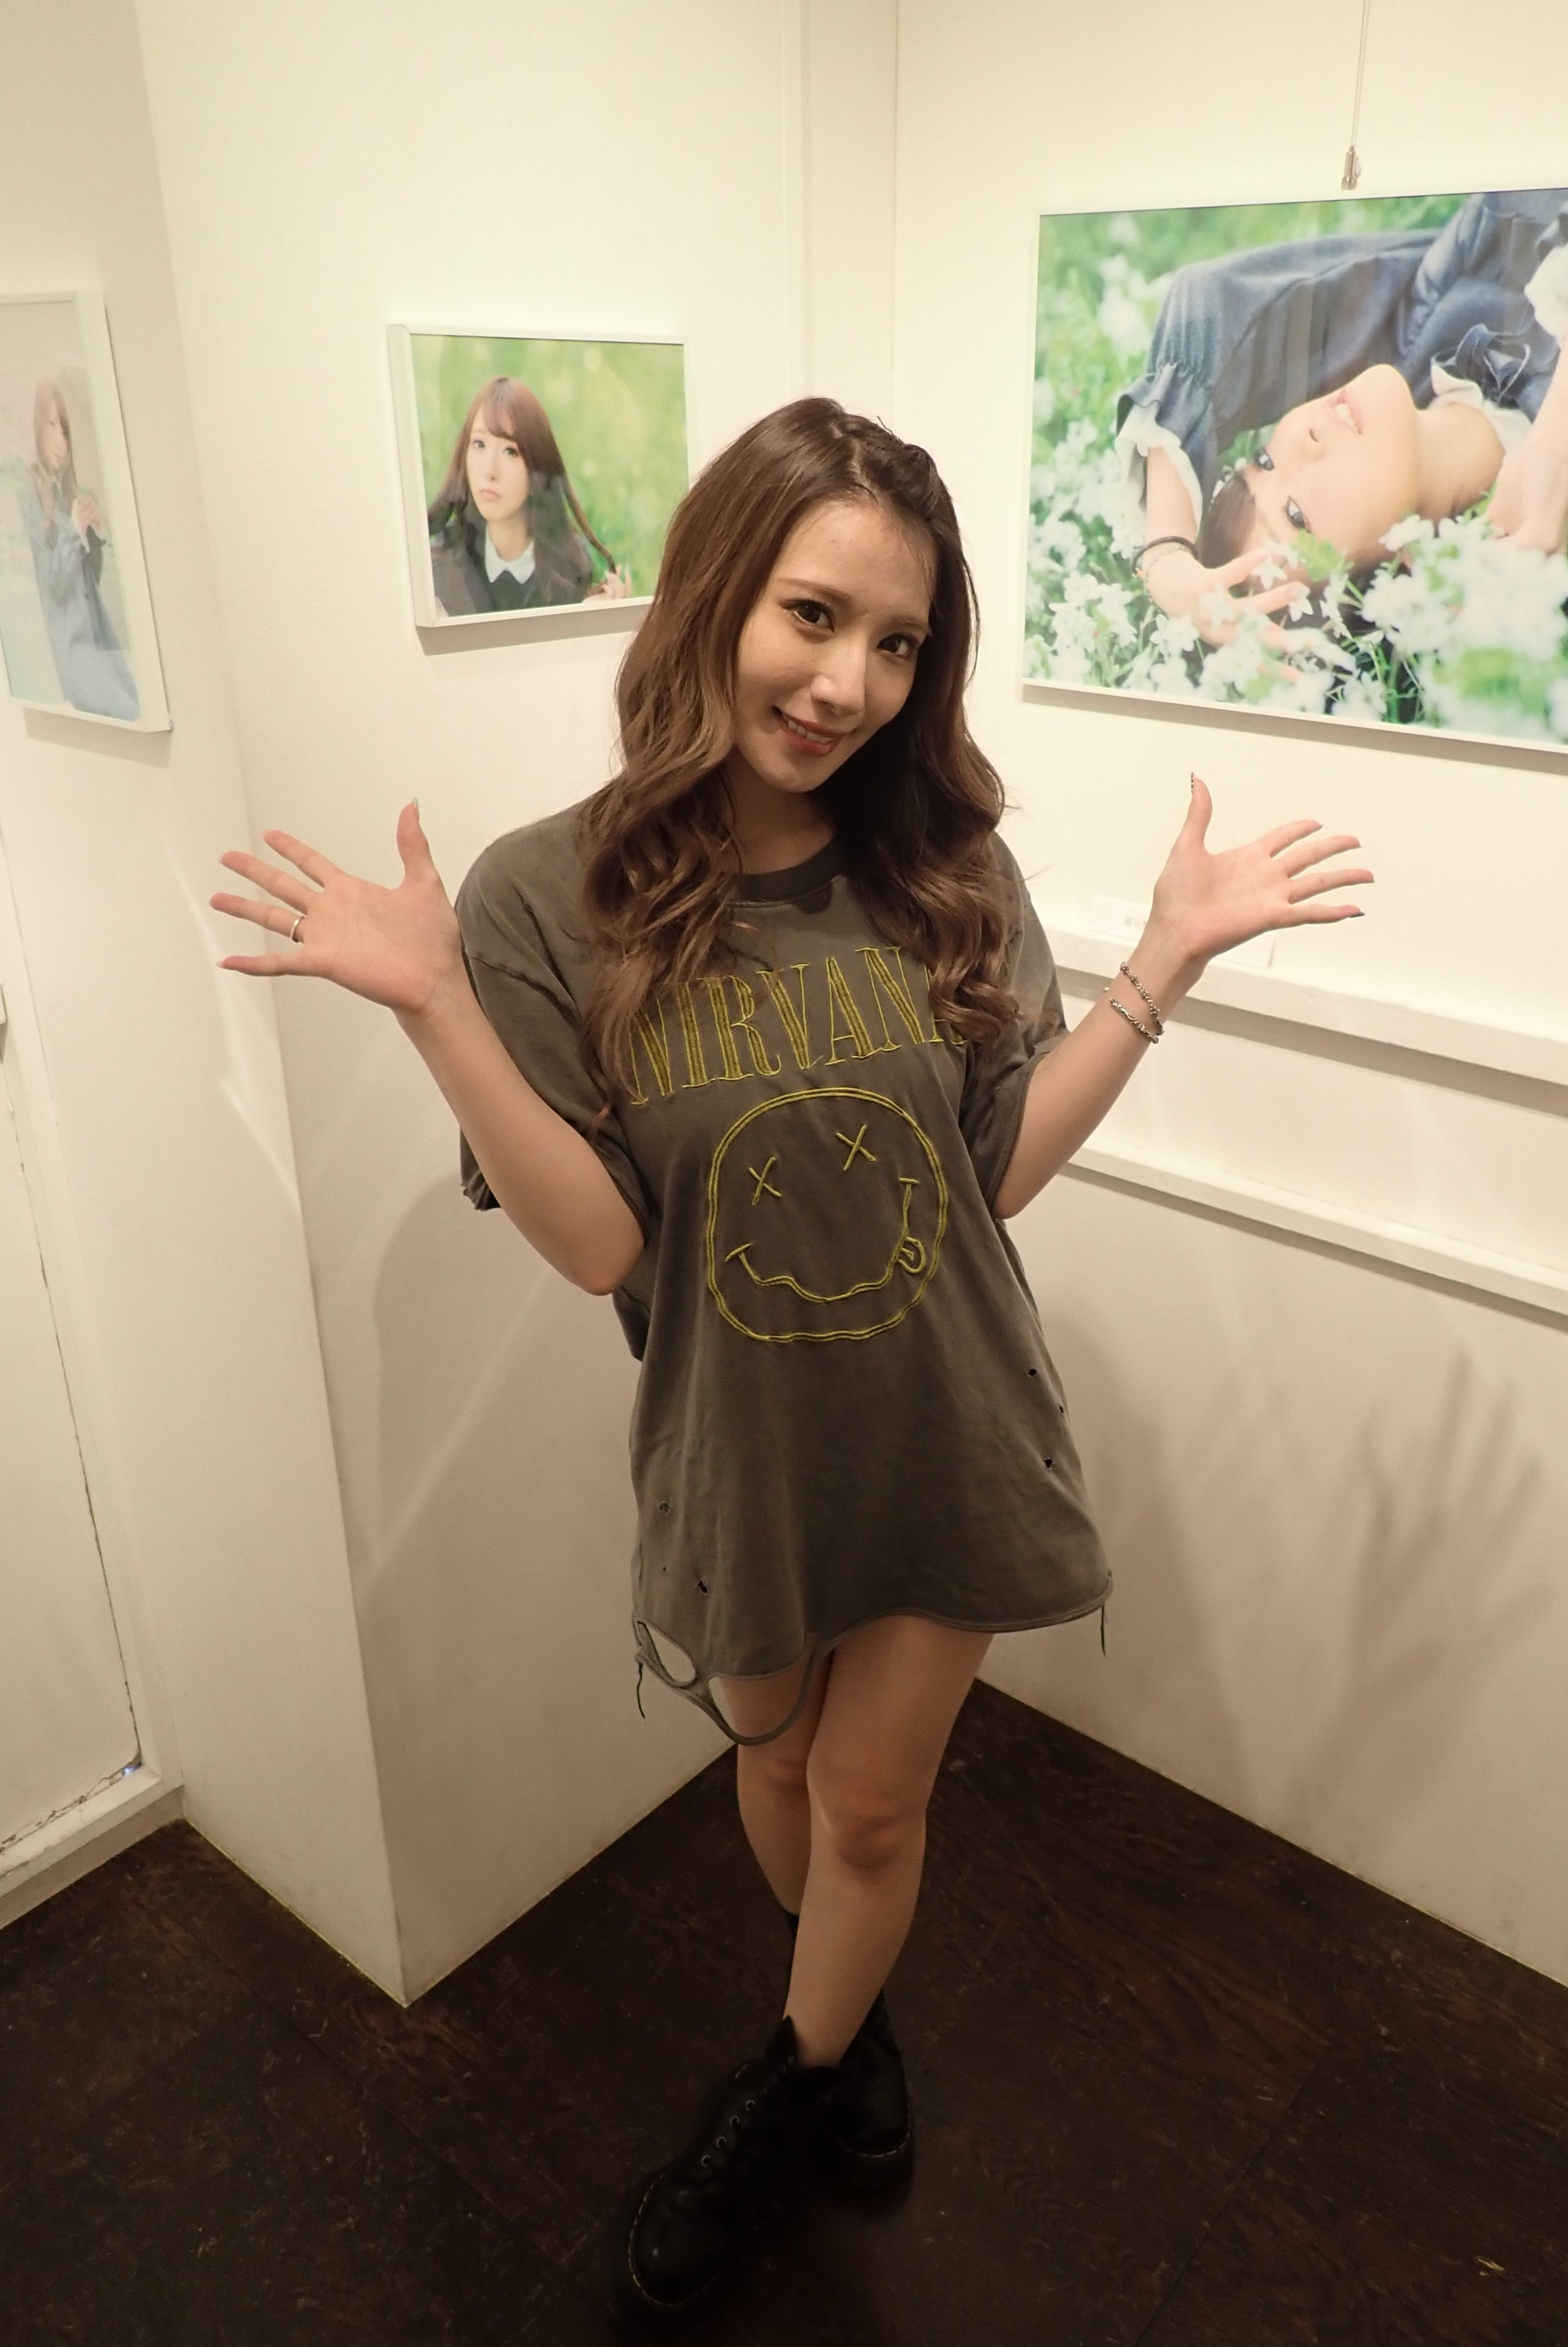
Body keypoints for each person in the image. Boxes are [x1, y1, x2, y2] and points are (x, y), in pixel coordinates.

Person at [212, 397, 1370, 2329]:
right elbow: (603, 1248)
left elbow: (994, 1173)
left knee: (873, 1805)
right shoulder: (544, 896)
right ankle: (852, 1999)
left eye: (897, 642)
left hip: (951, 1431)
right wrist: (431, 1011)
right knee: (775, 1756)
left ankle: (792, 2077)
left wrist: (1163, 965)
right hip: (735, 1453)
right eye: (813, 617)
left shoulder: (943, 866)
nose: (849, 684)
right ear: (714, 597)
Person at [1115, 183, 1568, 641]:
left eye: (1264, 460)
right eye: (1296, 513)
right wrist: (1561, 442)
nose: (1302, 439)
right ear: (1400, 572)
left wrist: (1166, 553)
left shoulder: (1429, 310)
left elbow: (1208, 298)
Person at [426, 373, 632, 615]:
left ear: (537, 465)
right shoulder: (442, 566)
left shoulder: (571, 564)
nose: (490, 471)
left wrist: (595, 618)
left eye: (510, 451)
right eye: (479, 444)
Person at [22, 377, 139, 721]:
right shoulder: (32, 493)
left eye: (65, 431)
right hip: (74, 651)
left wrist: (93, 537)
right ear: (38, 428)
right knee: (130, 714)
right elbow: (55, 586)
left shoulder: (67, 494)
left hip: (99, 641)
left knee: (139, 709)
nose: (61, 441)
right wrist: (75, 532)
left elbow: (90, 582)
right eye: (52, 426)